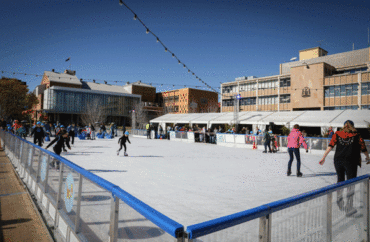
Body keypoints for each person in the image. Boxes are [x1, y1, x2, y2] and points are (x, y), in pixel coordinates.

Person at [319, 120, 370, 216]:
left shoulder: (337, 134)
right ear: (353, 126)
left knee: (340, 180)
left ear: (343, 126)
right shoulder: (357, 135)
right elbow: (363, 148)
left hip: (338, 160)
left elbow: (330, 146)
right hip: (351, 161)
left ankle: (339, 201)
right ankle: (349, 207)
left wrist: (323, 157)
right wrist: (367, 157)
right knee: (351, 183)